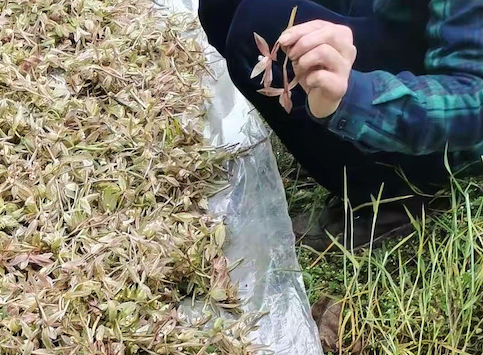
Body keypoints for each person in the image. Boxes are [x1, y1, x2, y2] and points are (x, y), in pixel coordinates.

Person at [198, 0, 482, 248]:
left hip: (451, 124)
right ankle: (322, 125)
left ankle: (389, 193)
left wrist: (356, 96)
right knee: (223, 5)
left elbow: (474, 98)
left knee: (259, 23)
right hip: (404, 19)